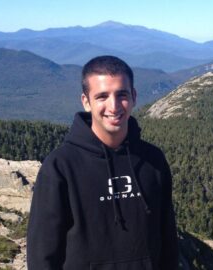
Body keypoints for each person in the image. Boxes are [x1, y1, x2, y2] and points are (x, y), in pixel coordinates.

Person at [27, 56, 178, 270]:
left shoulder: (153, 160)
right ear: (86, 102)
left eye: (121, 95)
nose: (113, 106)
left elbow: (168, 238)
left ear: (134, 97)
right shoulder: (61, 166)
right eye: (102, 96)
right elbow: (42, 253)